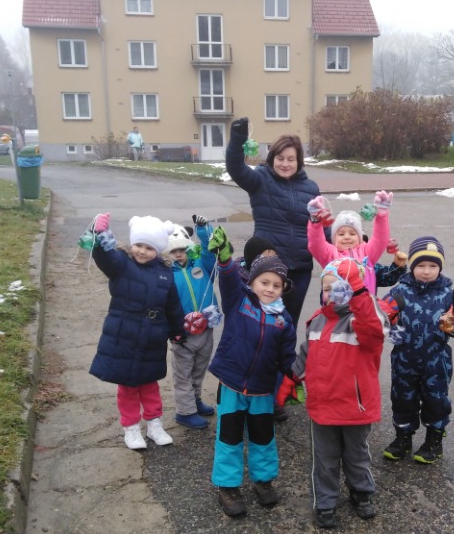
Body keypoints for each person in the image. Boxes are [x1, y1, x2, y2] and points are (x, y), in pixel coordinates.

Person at [282, 258, 390, 529]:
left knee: (357, 456)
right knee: (324, 459)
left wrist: (359, 290)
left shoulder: (360, 319)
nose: (332, 293)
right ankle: (325, 502)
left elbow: (375, 331)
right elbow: (305, 354)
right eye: (327, 288)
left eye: (339, 287)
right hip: (323, 407)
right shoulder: (317, 321)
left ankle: (361, 492)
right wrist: (291, 379)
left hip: (355, 407)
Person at [206, 226, 297, 518]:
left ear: (283, 289)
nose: (269, 288)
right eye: (264, 282)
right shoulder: (239, 301)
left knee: (263, 438)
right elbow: (228, 278)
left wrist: (293, 380)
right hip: (232, 385)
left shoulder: (284, 320)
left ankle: (263, 480)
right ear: (252, 280)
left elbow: (287, 357)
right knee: (229, 437)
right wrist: (224, 259)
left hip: (262, 389)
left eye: (276, 285)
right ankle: (227, 486)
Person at [88, 212, 186, 450]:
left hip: (152, 338)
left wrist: (177, 329)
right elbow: (104, 258)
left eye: (149, 248)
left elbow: (172, 305)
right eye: (139, 245)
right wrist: (98, 235)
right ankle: (131, 428)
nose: (142, 251)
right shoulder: (121, 263)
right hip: (124, 335)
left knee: (150, 385)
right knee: (128, 386)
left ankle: (154, 424)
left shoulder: (164, 272)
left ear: (158, 250)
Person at [382, 236, 454, 464]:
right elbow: (379, 320)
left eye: (432, 265)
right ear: (412, 265)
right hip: (404, 359)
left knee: (436, 400)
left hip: (437, 360)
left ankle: (434, 439)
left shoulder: (448, 294)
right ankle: (403, 438)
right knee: (402, 399)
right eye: (420, 265)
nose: (426, 271)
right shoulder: (399, 291)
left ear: (440, 267)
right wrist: (387, 319)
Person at [224, 117, 320, 328]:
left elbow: (320, 226)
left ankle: (285, 352)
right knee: (264, 324)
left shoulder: (311, 188)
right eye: (280, 158)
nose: (285, 164)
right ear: (272, 158)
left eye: (291, 159)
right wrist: (238, 137)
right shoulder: (260, 179)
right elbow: (235, 168)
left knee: (289, 324)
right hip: (269, 267)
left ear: (299, 161)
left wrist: (346, 247)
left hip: (301, 270)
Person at [167, 214, 219, 430]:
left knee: (199, 368)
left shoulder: (201, 265)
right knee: (183, 373)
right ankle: (185, 411)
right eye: (173, 251)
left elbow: (209, 250)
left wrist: (204, 230)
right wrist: (173, 330)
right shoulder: (166, 274)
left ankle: (195, 400)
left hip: (206, 328)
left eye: (182, 249)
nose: (179, 254)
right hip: (183, 334)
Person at [305, 191, 393, 294]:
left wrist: (382, 213)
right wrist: (315, 219)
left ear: (360, 237)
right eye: (341, 234)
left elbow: (380, 239)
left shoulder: (367, 253)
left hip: (365, 302)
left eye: (352, 233)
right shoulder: (330, 254)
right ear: (334, 238)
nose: (347, 237)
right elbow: (315, 244)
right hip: (337, 303)